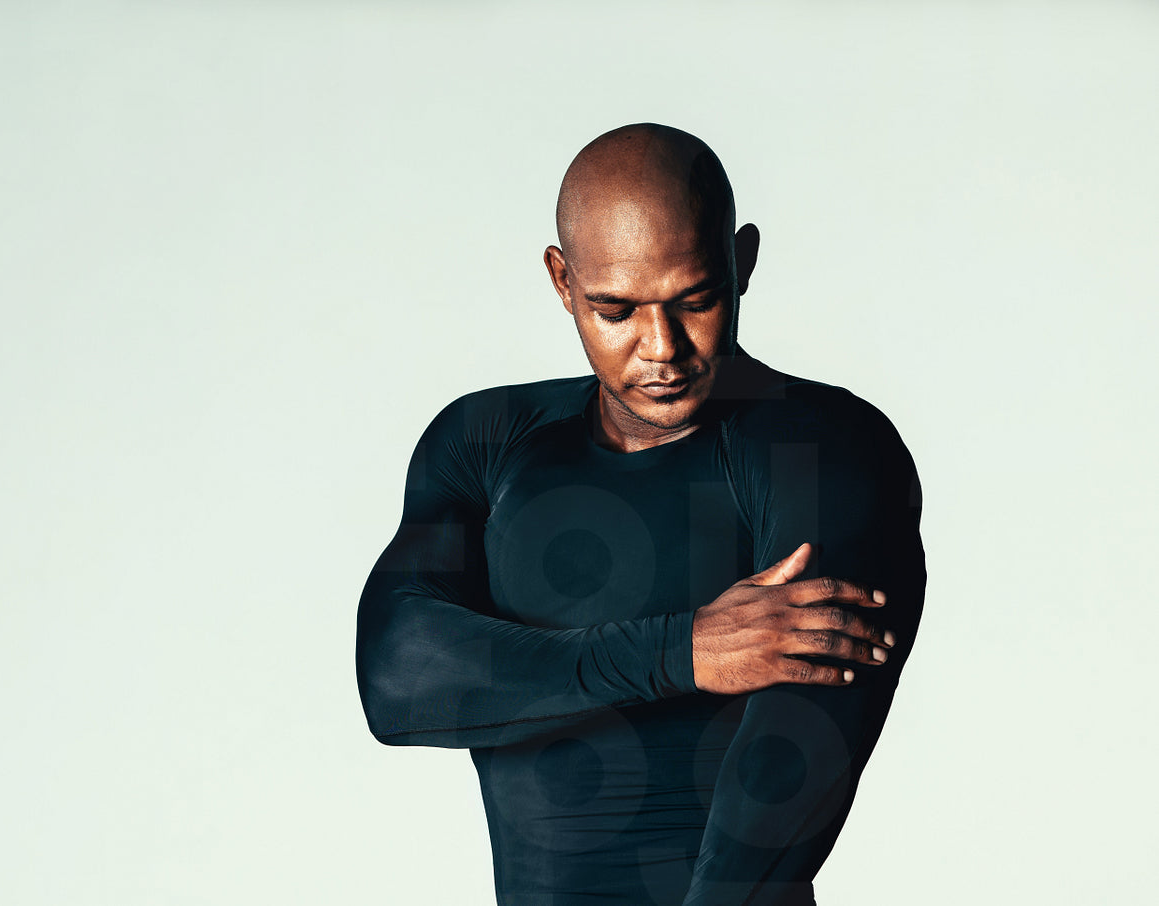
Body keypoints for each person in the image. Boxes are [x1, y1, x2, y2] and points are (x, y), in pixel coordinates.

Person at [354, 123, 927, 905]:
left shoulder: (820, 448)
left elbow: (792, 767)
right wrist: (683, 651)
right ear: (563, 281)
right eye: (615, 309)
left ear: (742, 262)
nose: (661, 348)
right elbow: (399, 680)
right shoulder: (487, 441)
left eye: (695, 300)